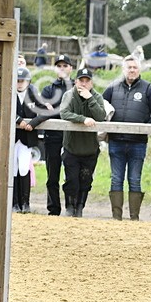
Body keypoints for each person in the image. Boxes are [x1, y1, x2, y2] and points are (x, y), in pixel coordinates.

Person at [102, 55, 151, 220]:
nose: (132, 70)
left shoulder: (148, 89)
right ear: (123, 69)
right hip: (116, 142)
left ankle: (134, 217)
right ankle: (116, 217)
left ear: (139, 69)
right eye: (129, 67)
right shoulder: (112, 87)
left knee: (135, 179)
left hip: (138, 143)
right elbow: (101, 107)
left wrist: (143, 128)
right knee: (116, 179)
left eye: (134, 67)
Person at [59, 67, 106, 217]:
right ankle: (69, 207)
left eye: (87, 81)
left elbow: (101, 115)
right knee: (71, 180)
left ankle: (80, 208)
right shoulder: (69, 95)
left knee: (86, 180)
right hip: (71, 147)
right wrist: (82, 119)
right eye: (81, 80)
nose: (84, 84)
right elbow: (64, 113)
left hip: (90, 149)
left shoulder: (97, 96)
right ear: (76, 81)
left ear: (91, 83)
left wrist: (89, 99)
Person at [34, 54, 74, 215]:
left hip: (72, 138)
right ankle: (53, 208)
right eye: (59, 66)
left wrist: (55, 110)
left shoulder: (76, 88)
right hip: (52, 137)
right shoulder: (48, 89)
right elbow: (43, 110)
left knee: (71, 175)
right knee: (53, 176)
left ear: (71, 68)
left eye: (65, 65)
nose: (62, 68)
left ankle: (71, 208)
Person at [12, 67, 43, 213]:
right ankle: (14, 203)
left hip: (26, 138)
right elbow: (4, 107)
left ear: (28, 81)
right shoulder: (9, 93)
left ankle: (25, 203)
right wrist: (19, 120)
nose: (19, 84)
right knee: (13, 169)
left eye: (22, 81)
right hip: (12, 138)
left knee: (24, 168)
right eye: (17, 81)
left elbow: (45, 111)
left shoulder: (34, 94)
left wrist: (33, 123)